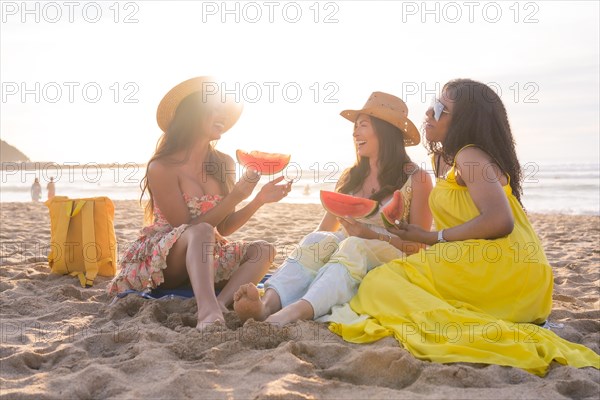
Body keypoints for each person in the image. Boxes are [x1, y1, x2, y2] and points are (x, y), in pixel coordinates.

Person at [330, 79, 599, 376]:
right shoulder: (441, 159)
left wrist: (432, 237)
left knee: (379, 284)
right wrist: (412, 233)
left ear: (464, 119)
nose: (429, 114)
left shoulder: (470, 156)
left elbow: (500, 221)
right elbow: (459, 223)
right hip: (473, 260)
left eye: (440, 109)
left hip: (507, 266)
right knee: (383, 283)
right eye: (432, 106)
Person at [107, 77, 292, 329]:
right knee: (201, 230)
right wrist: (235, 196)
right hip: (169, 258)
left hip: (205, 252)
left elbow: (222, 228)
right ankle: (206, 312)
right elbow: (186, 228)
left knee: (264, 249)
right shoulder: (161, 167)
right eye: (213, 109)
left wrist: (258, 200)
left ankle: (221, 305)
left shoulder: (224, 163)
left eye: (223, 111)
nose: (222, 116)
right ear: (191, 114)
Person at [233, 92, 433, 325]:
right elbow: (325, 229)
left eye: (363, 125)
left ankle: (295, 312)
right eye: (355, 127)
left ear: (385, 130)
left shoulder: (417, 178)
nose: (355, 132)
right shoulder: (351, 176)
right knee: (317, 239)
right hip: (346, 259)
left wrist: (372, 235)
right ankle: (266, 305)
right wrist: (315, 246)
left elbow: (418, 247)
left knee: (354, 244)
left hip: (392, 259)